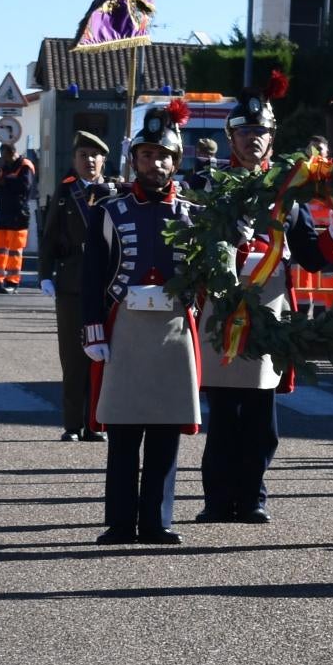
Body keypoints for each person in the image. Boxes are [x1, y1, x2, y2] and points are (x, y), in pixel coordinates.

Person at [196, 84, 329, 525]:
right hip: (223, 306)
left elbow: (311, 253)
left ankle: (253, 493)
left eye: (261, 132)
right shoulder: (210, 187)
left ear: (272, 139)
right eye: (246, 132)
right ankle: (217, 498)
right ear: (232, 138)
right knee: (223, 411)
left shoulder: (287, 194)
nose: (254, 139)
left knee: (259, 413)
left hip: (270, 309)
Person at [84, 105, 201, 546]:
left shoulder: (194, 214)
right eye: (148, 155)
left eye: (164, 156)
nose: (157, 164)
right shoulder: (109, 210)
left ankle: (157, 520)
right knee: (125, 429)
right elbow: (93, 274)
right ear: (134, 160)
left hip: (173, 327)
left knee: (166, 429)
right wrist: (93, 327)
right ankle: (119, 522)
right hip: (125, 324)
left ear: (177, 161)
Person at [39, 132, 111, 442]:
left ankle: (96, 423)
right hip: (71, 283)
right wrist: (45, 273)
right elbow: (50, 235)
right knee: (73, 356)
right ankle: (72, 424)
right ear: (74, 160)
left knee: (103, 355)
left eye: (95, 155)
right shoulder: (66, 192)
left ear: (104, 160)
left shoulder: (115, 191)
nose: (89, 160)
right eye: (83, 155)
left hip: (107, 284)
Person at [0, 146, 36, 292]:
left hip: (18, 213)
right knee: (0, 249)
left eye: (5, 156)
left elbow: (25, 187)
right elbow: (1, 188)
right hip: (3, 211)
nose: (3, 159)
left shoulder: (25, 166)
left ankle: (12, 283)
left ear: (12, 153)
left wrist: (5, 181)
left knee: (15, 250)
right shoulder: (5, 167)